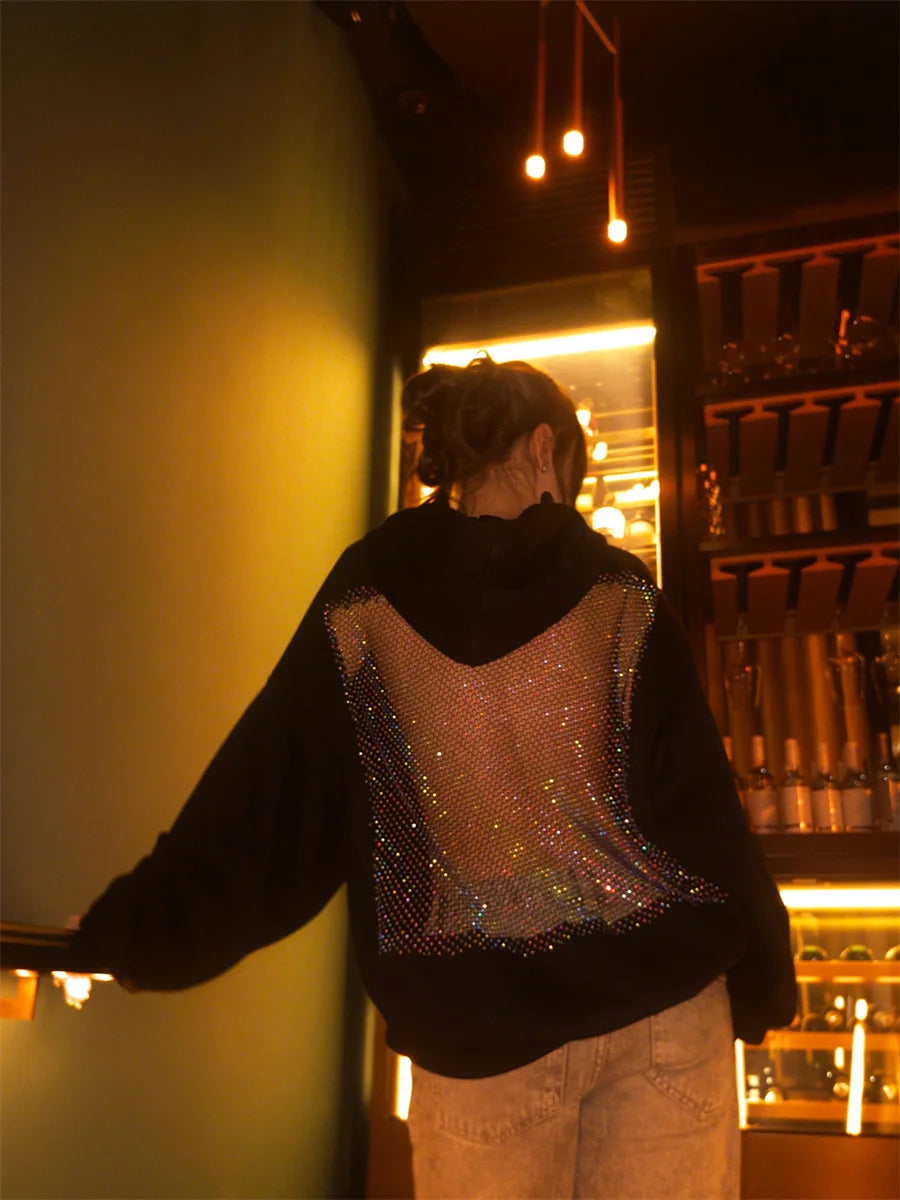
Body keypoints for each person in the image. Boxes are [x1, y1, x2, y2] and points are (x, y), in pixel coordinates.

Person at [69, 356, 796, 1199]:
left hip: (477, 1036)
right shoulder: (620, 592)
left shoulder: (365, 598)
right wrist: (763, 980)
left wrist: (137, 931)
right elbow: (701, 811)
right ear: (542, 446)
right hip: (665, 1017)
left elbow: (272, 798)